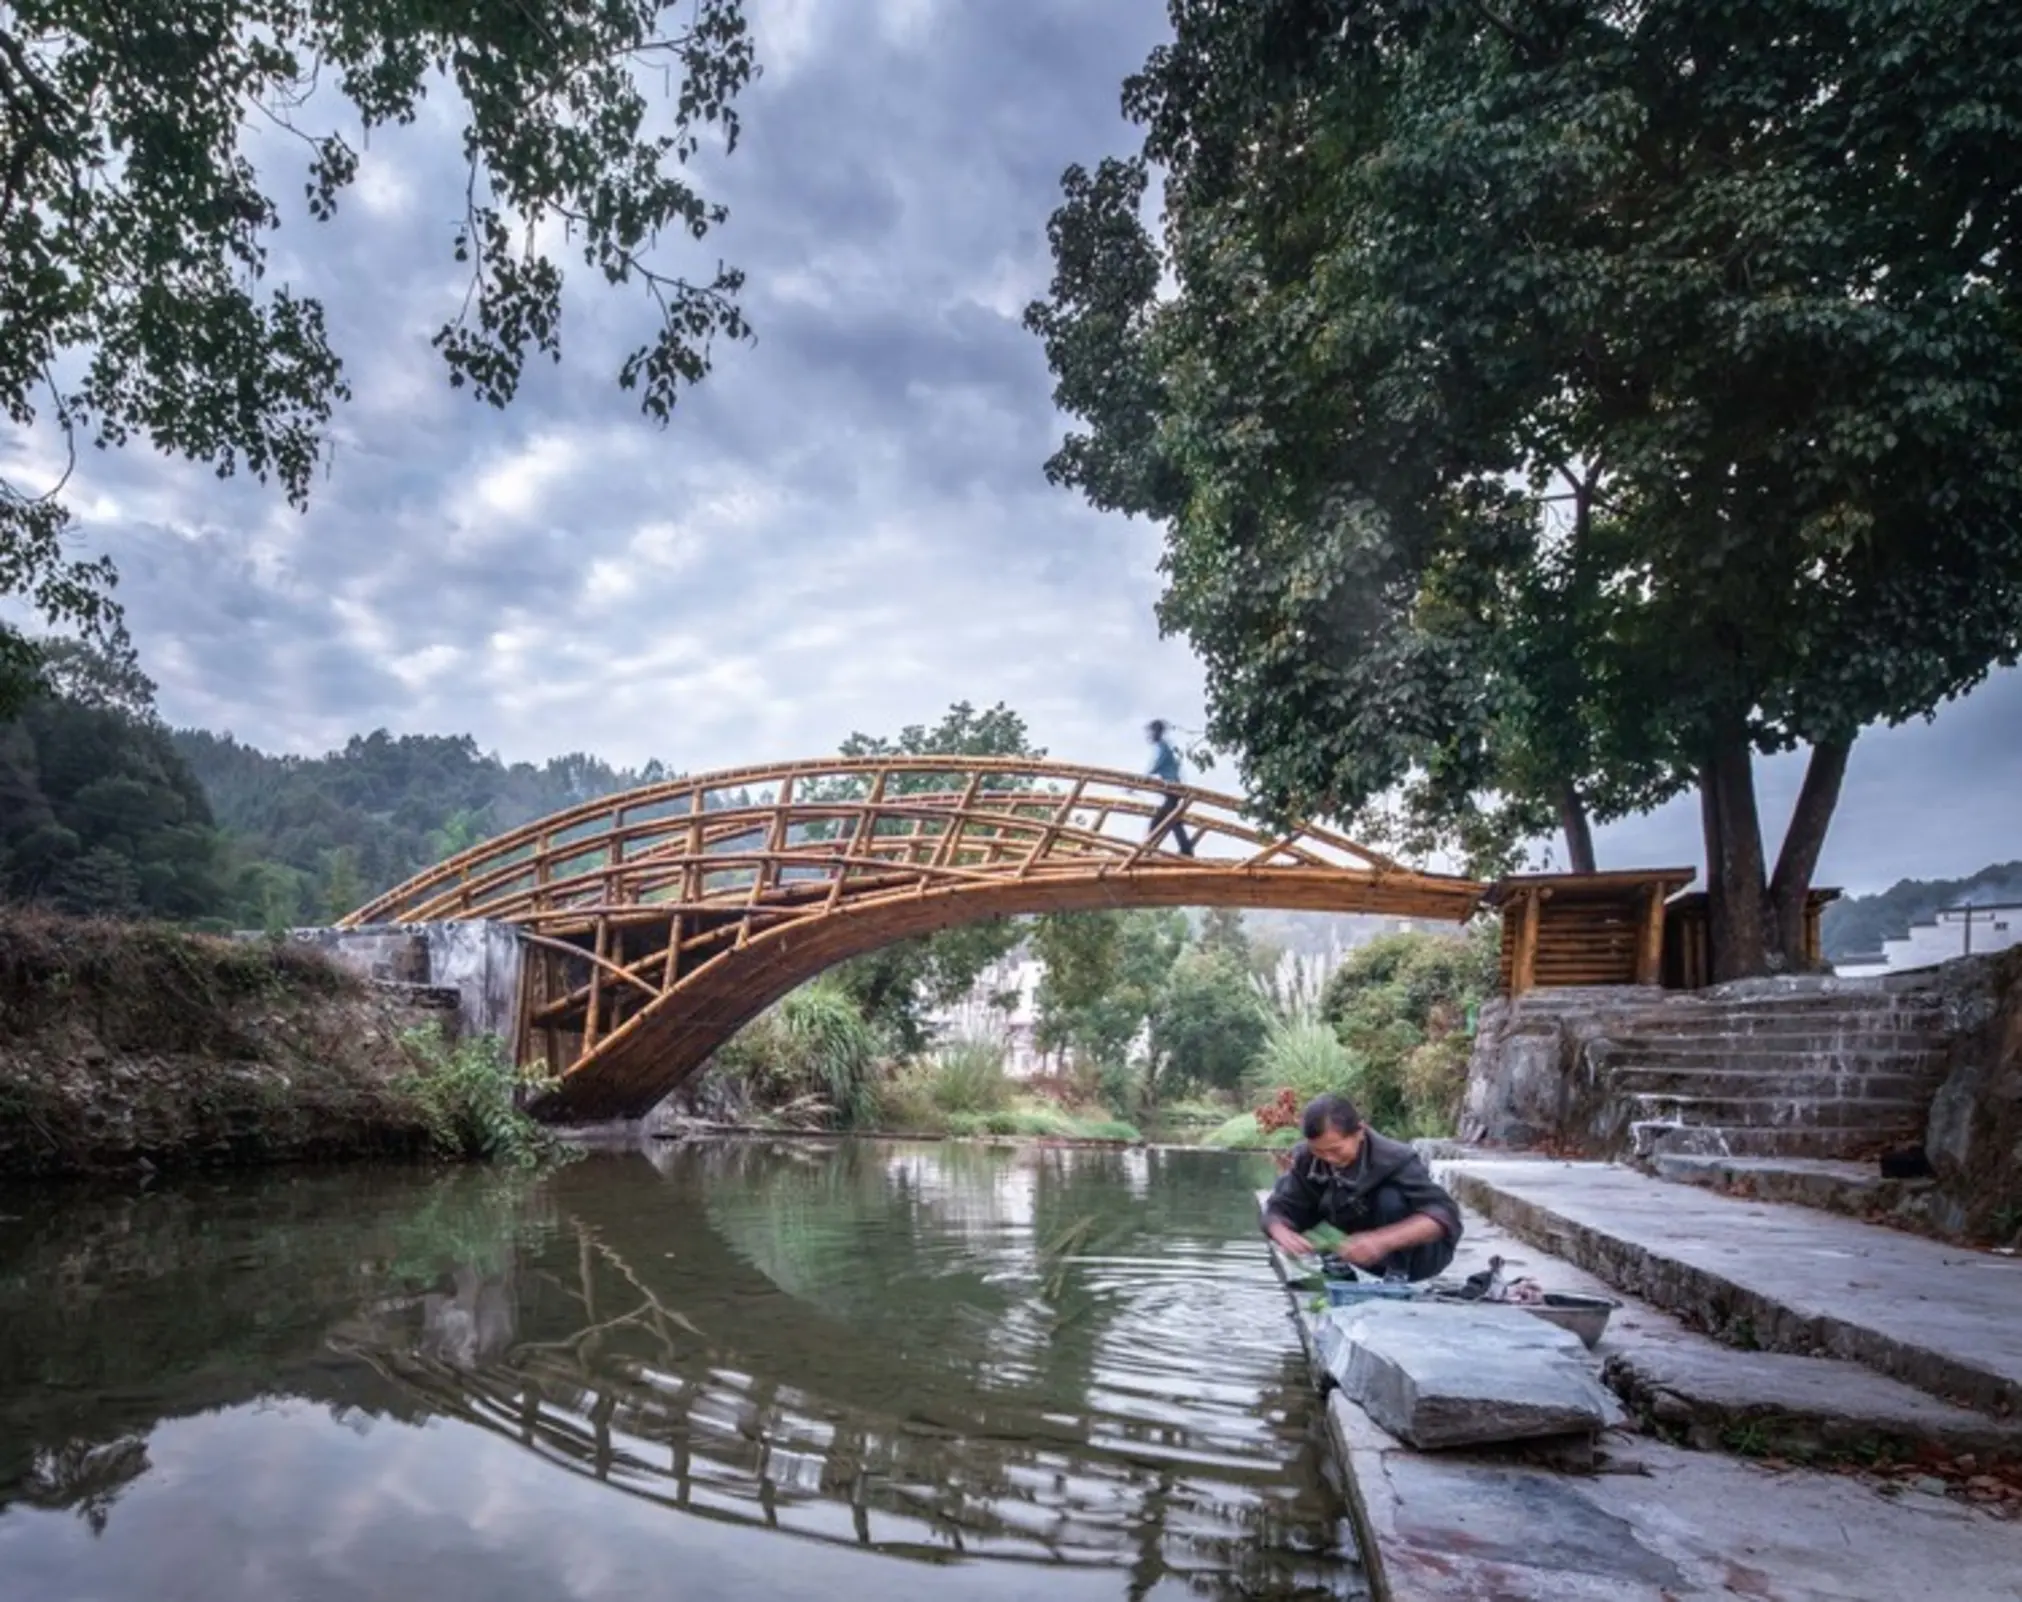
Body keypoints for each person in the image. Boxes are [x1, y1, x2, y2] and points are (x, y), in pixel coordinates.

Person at [1262, 1094, 1461, 1281]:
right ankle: (1336, 1266)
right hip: (1355, 1251)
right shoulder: (1307, 1158)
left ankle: (1398, 1273)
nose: (1328, 1158)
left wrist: (1381, 1241)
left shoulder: (1396, 1158)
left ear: (1359, 1132)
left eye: (1335, 1150)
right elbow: (1277, 1207)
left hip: (1417, 1256)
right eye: (1319, 1151)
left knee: (1389, 1199)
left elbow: (1443, 1215)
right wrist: (1282, 1232)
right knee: (1307, 1197)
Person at [1144, 719, 1196, 856]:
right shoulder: (1164, 746)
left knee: (1168, 820)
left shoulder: (1163, 747)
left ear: (1157, 732)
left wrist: (1143, 779)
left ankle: (1185, 850)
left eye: (1151, 732)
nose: (1150, 735)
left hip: (1173, 789)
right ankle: (1150, 848)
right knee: (1167, 819)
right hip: (1172, 790)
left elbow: (1156, 765)